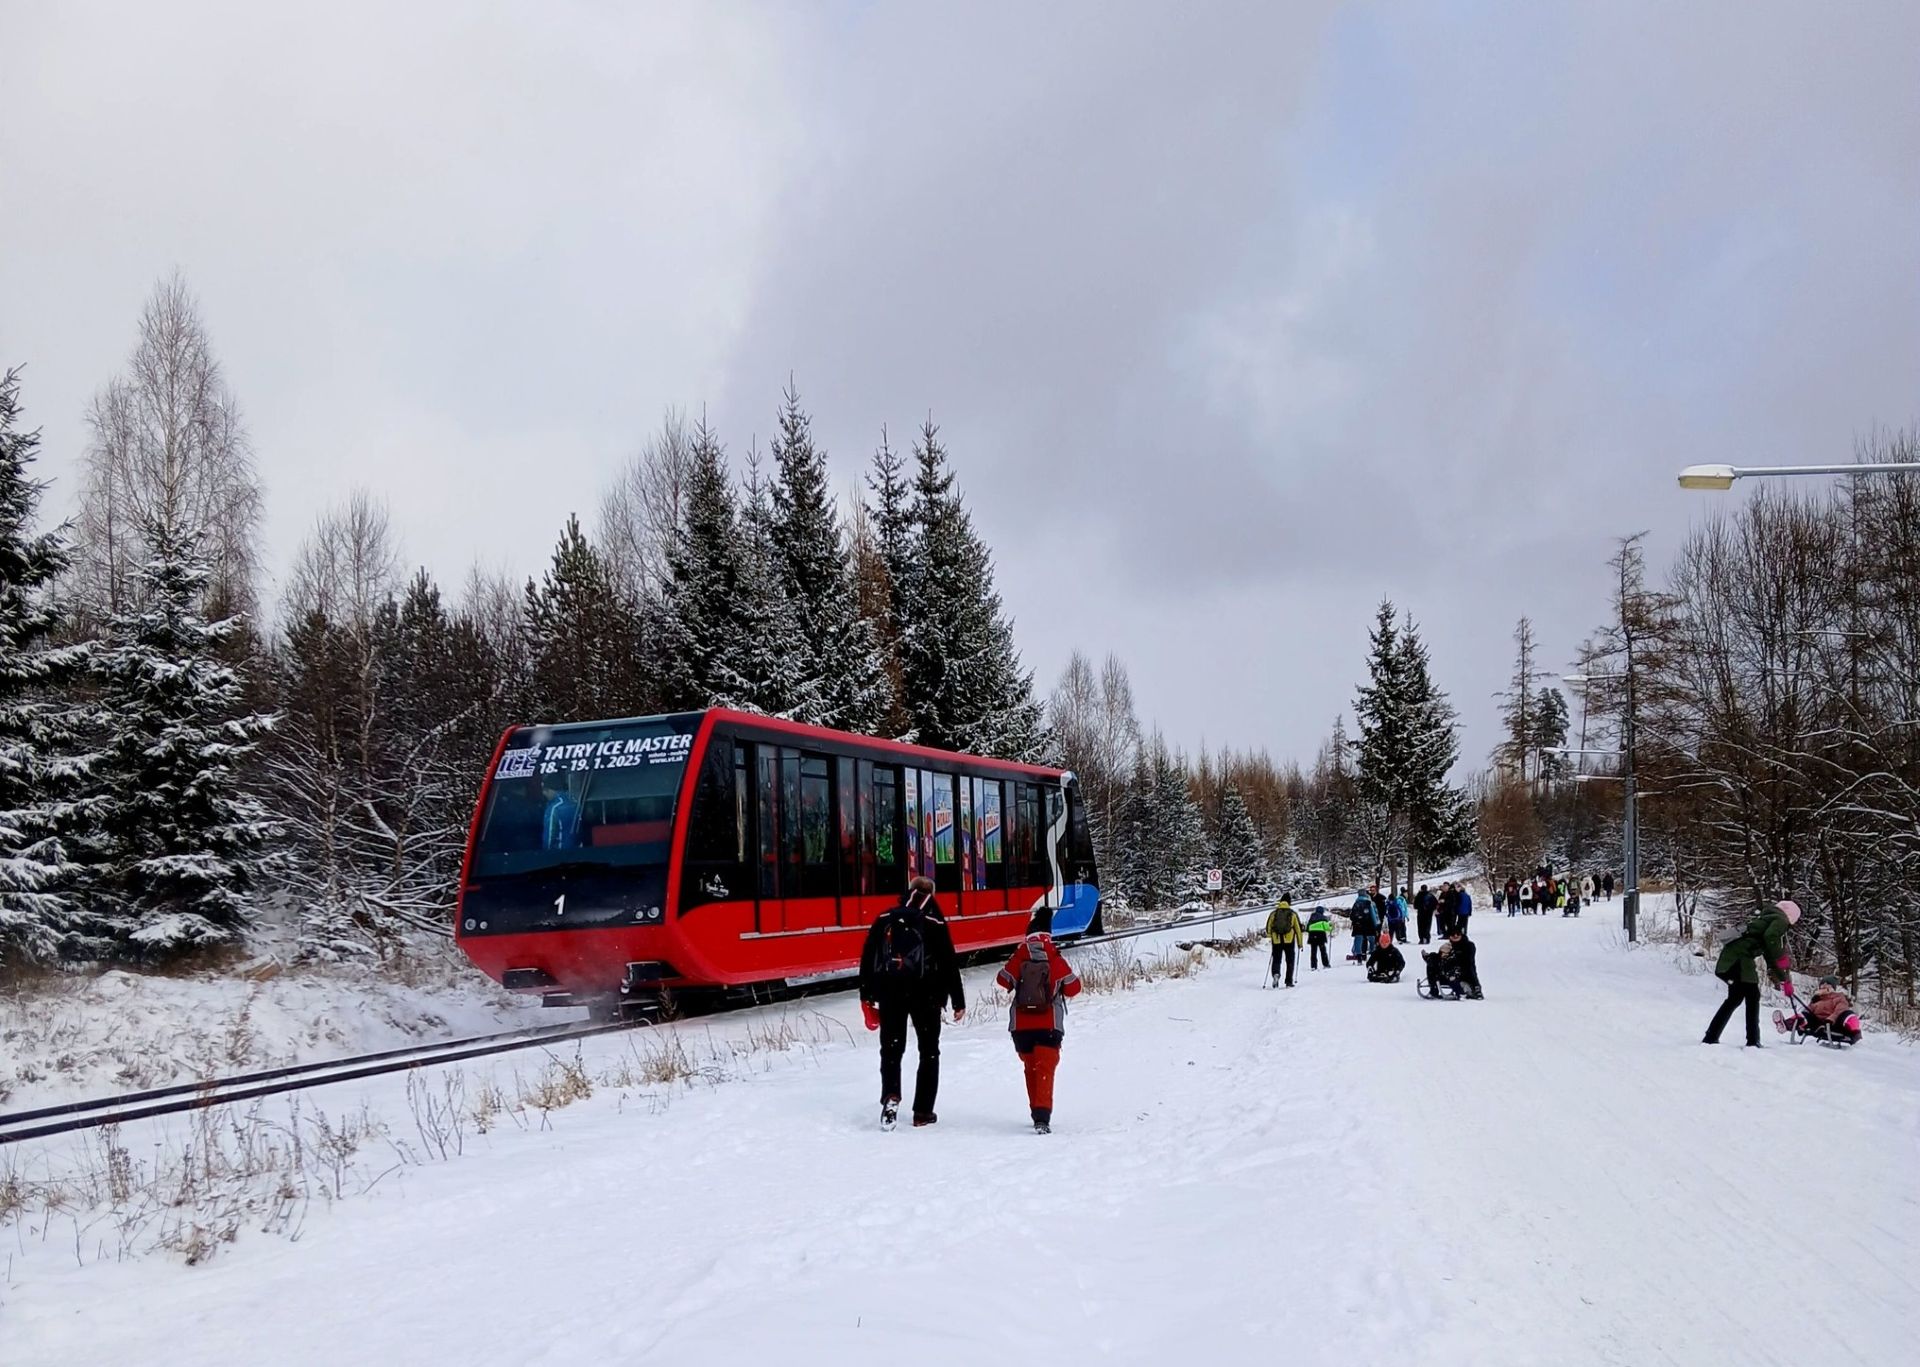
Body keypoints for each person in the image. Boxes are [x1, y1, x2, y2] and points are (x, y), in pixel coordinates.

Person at [859, 875, 966, 1127]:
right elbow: (949, 963)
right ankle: (923, 1112)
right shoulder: (934, 922)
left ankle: (891, 1096)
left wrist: (868, 995)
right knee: (928, 1051)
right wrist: (957, 1001)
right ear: (932, 895)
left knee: (892, 1049)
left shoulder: (886, 919)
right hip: (926, 996)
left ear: (908, 892)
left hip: (891, 994)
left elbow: (868, 958)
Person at [994, 908, 1082, 1133]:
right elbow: (1074, 988)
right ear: (1048, 933)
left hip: (1021, 1027)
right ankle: (1042, 1117)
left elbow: (1003, 980)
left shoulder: (1021, 954)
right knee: (1045, 1069)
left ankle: (1036, 1112)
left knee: (1030, 1067)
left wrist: (1018, 962)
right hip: (1048, 1024)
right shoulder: (1053, 955)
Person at [1703, 899, 1799, 1048]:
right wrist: (1781, 957)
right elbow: (1771, 939)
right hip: (1739, 960)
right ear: (1790, 917)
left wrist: (1784, 979)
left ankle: (1712, 1037)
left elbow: (1769, 954)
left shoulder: (1765, 919)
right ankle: (1752, 1041)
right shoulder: (1780, 919)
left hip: (1730, 961)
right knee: (1751, 996)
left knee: (1735, 999)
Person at [1787, 976, 1863, 1044]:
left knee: (1847, 1014)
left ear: (1833, 987)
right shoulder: (1817, 999)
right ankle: (1788, 1023)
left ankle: (1852, 1029)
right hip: (1817, 1024)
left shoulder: (1838, 998)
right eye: (1822, 984)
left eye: (1827, 984)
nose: (1824, 985)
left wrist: (1830, 1019)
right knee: (1805, 1014)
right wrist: (1811, 1005)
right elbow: (1808, 1011)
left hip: (1833, 1024)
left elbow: (1840, 1010)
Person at [1422, 925, 1482, 999]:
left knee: (1450, 966)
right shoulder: (1448, 946)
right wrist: (1440, 955)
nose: (1455, 936)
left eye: (1457, 934)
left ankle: (1461, 991)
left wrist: (1451, 955)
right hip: (1447, 973)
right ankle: (1433, 990)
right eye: (1452, 934)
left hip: (1462, 975)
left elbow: (1468, 963)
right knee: (1432, 963)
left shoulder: (1468, 946)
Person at [1266, 895, 1304, 987]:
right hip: (1289, 940)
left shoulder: (1273, 914)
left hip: (1276, 940)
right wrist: (1300, 943)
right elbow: (1298, 930)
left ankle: (1276, 974)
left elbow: (1268, 928)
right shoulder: (1292, 914)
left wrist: (1271, 936)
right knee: (1290, 961)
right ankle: (1288, 981)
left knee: (1276, 959)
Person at [541, 776, 581, 850]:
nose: (544, 793)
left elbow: (549, 836)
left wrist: (545, 854)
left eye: (545, 790)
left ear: (551, 790)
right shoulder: (575, 803)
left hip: (559, 853)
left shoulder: (554, 808)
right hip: (578, 851)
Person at [1348, 889, 1377, 962]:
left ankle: (1359, 957)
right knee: (1371, 938)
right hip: (1367, 924)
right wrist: (1375, 923)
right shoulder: (1368, 903)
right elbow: (1373, 914)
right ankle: (1372, 952)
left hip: (1357, 925)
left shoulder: (1356, 903)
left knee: (1358, 940)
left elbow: (1351, 916)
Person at [1305, 904, 1335, 970]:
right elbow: (1328, 928)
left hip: (1312, 936)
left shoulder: (1311, 918)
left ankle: (1313, 966)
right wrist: (1331, 926)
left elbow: (1307, 928)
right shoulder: (1323, 918)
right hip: (1321, 936)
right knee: (1323, 951)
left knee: (1313, 951)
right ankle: (1326, 964)